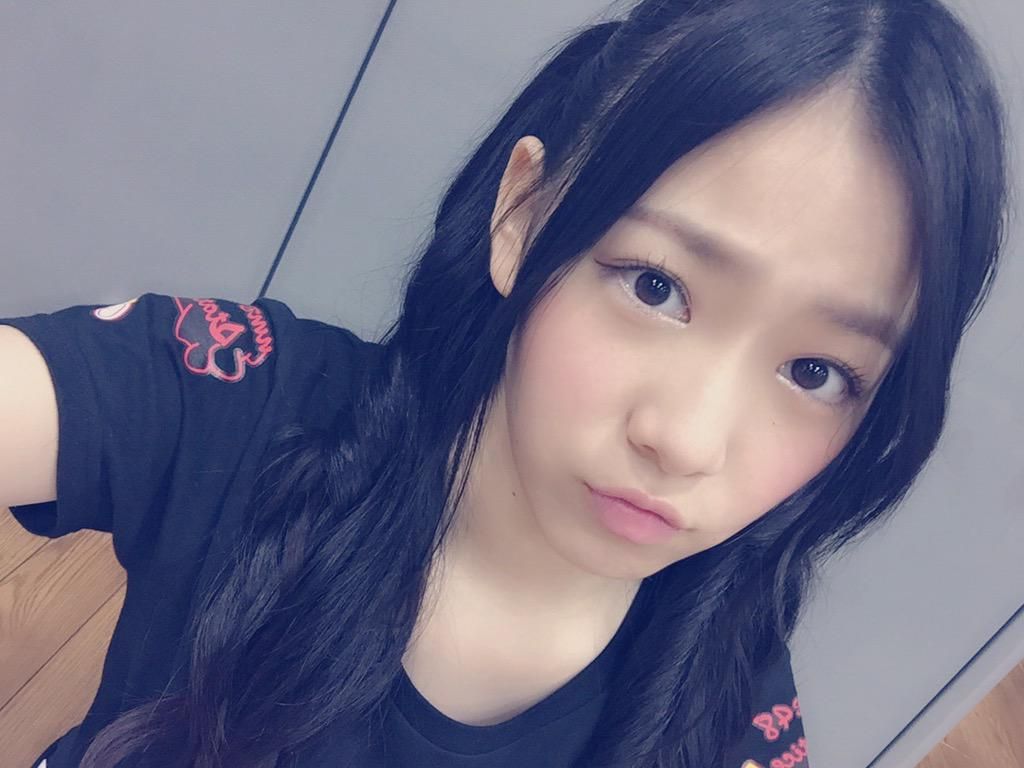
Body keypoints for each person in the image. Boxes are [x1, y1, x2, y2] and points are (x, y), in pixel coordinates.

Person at [0, 0, 1009, 765]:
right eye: (655, 286)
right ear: (523, 212)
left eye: (816, 372)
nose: (687, 439)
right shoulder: (248, 406)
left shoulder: (726, 705)